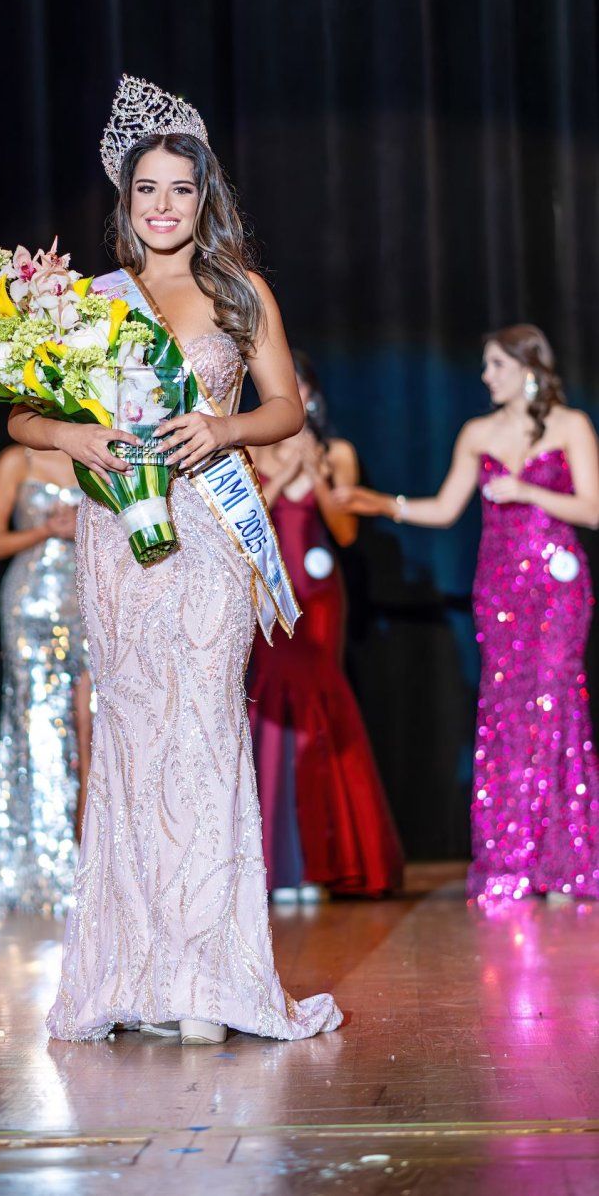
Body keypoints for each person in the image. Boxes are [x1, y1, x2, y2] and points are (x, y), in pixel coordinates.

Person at [8, 75, 342, 1044]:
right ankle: (140, 973)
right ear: (126, 199)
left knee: (201, 740)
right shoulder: (83, 303)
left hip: (203, 538)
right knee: (131, 745)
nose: (162, 205)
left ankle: (212, 977)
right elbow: (23, 416)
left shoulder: (241, 293)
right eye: (146, 189)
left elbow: (285, 408)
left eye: (180, 190)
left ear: (205, 200)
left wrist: (222, 425)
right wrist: (73, 441)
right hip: (116, 543)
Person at [333, 324, 599, 906]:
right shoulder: (477, 432)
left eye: (496, 365)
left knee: (554, 704)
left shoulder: (570, 425)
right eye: (483, 365)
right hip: (500, 589)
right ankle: (513, 858)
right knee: (506, 710)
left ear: (529, 367)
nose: (485, 376)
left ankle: (563, 862)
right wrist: (384, 505)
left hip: (557, 590)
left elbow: (593, 508)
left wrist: (528, 493)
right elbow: (446, 507)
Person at [249, 353, 404, 901]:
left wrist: (314, 473)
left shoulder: (336, 452)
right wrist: (285, 474)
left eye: (299, 387)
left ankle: (322, 857)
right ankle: (273, 863)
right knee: (266, 710)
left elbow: (344, 534)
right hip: (267, 593)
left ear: (311, 396)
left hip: (319, 598)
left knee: (319, 705)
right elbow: (240, 528)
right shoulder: (248, 448)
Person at [0, 444, 90, 916]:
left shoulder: (99, 446)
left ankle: (95, 863)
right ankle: (48, 867)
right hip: (32, 607)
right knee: (40, 735)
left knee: (93, 736)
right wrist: (47, 529)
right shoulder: (18, 459)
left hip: (92, 602)